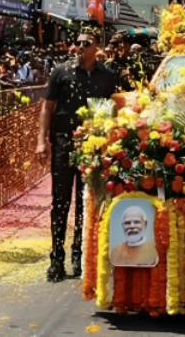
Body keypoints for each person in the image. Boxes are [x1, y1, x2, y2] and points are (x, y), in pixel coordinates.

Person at [36, 29, 120, 282]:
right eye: (77, 42)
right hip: (63, 144)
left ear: (97, 48)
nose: (80, 46)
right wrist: (42, 141)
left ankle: (80, 255)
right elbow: (47, 107)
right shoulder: (61, 71)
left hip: (91, 147)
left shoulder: (108, 75)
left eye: (87, 43)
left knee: (86, 203)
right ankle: (56, 258)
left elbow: (112, 110)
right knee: (60, 203)